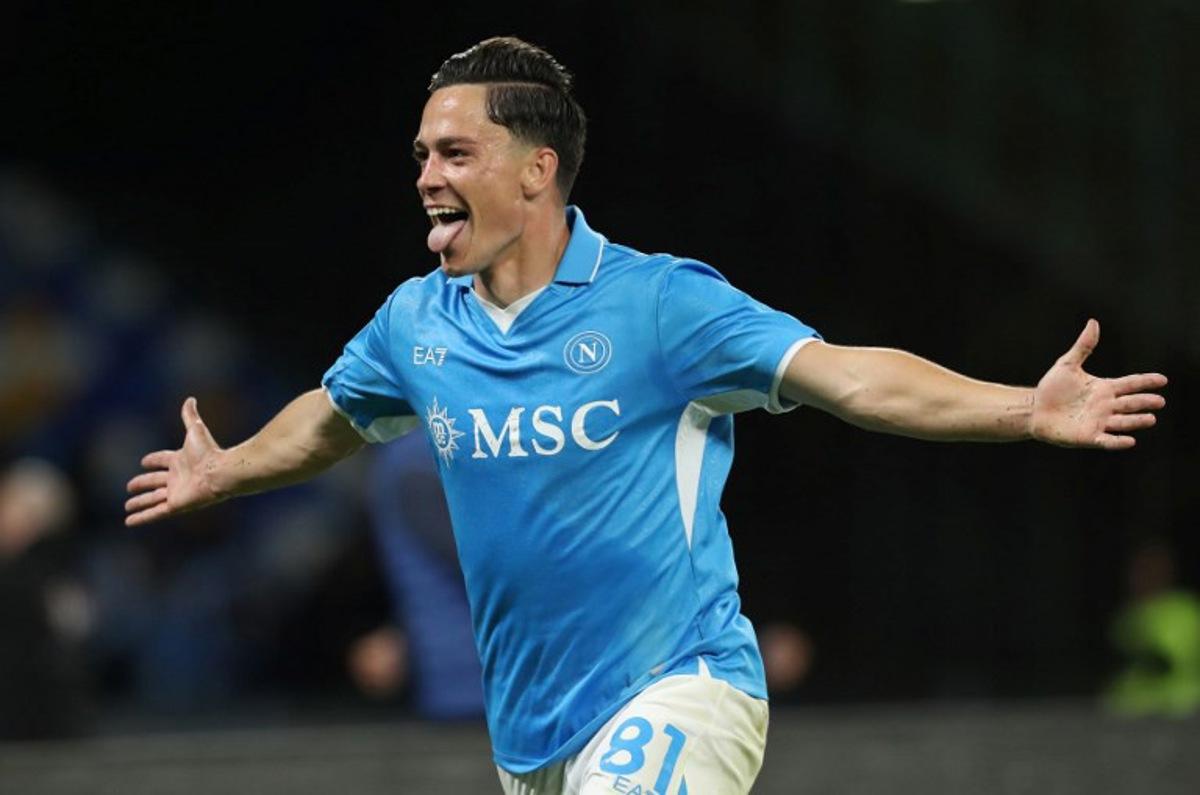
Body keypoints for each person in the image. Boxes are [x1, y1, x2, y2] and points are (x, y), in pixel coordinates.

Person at [125, 36, 1168, 795]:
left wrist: (1022, 409)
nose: (426, 178)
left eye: (453, 153)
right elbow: (337, 417)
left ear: (538, 171)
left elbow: (850, 376)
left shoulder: (660, 305)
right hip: (529, 735)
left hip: (678, 687)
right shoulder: (414, 324)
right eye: (421, 156)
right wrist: (229, 471)